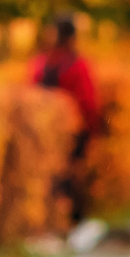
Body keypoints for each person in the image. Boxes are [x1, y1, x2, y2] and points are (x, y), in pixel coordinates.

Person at [28, 14, 102, 230]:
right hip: (72, 130)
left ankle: (55, 223)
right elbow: (88, 101)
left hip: (46, 130)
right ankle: (71, 224)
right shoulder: (76, 64)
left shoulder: (42, 63)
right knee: (72, 177)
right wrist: (92, 128)